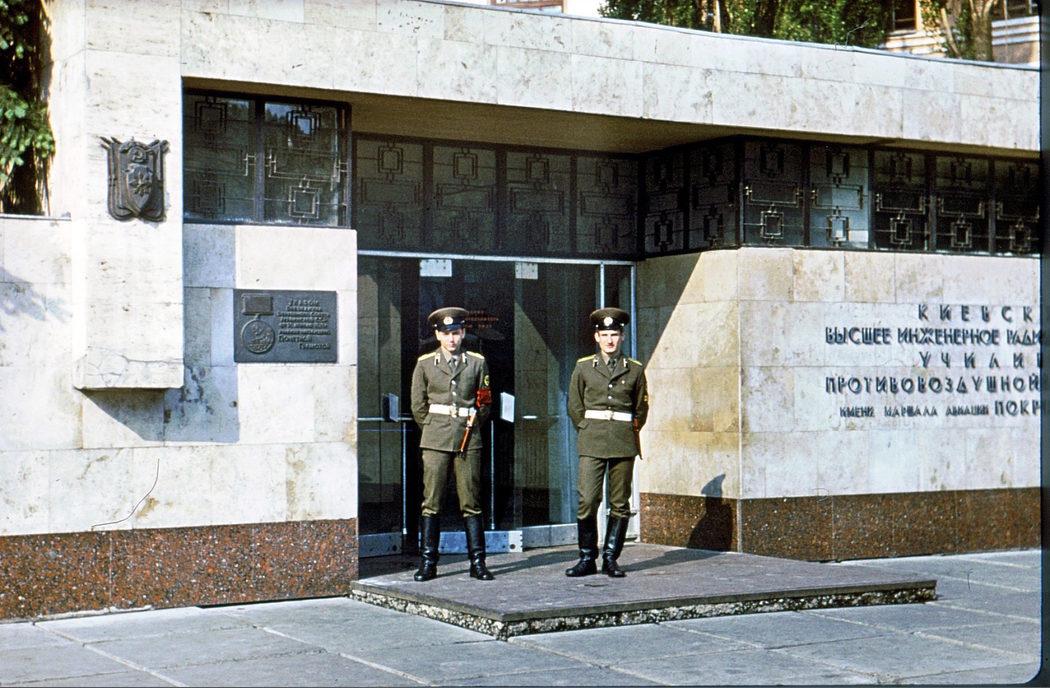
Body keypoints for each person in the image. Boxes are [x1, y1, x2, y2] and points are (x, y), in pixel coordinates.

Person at [410, 307, 494, 582]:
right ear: (438, 335)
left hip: (468, 438)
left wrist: (471, 425)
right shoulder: (425, 363)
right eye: (446, 334)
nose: (451, 339)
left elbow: (484, 401)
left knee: (471, 501)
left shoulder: (477, 363)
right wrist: (433, 428)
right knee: (431, 502)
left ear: (463, 333)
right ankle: (428, 563)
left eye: (456, 333)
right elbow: (418, 405)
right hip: (435, 438)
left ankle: (478, 562)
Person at [565, 307, 648, 578]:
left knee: (620, 502)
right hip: (592, 441)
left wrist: (627, 431)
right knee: (588, 500)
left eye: (614, 335)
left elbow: (641, 408)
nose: (609, 340)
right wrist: (586, 427)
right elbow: (574, 404)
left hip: (622, 440)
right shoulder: (583, 367)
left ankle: (611, 558)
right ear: (596, 337)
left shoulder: (634, 369)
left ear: (622, 337)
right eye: (605, 335)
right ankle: (587, 557)